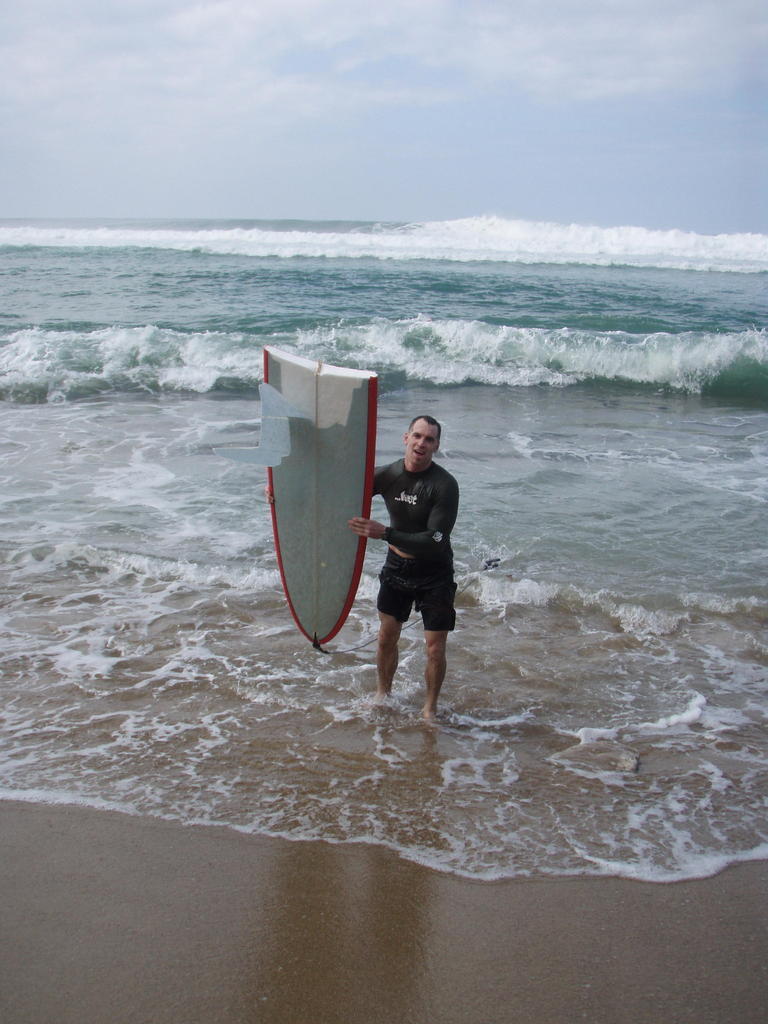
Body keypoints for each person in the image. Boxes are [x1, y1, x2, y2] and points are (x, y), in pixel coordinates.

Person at [348, 415, 459, 720]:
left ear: (436, 446)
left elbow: (435, 540)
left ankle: (430, 708)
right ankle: (383, 693)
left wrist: (384, 533)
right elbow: (338, 493)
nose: (422, 443)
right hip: (397, 567)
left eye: (430, 439)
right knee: (386, 636)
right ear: (406, 438)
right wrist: (280, 493)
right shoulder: (387, 475)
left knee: (435, 648)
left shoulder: (444, 485)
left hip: (434, 571)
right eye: (418, 436)